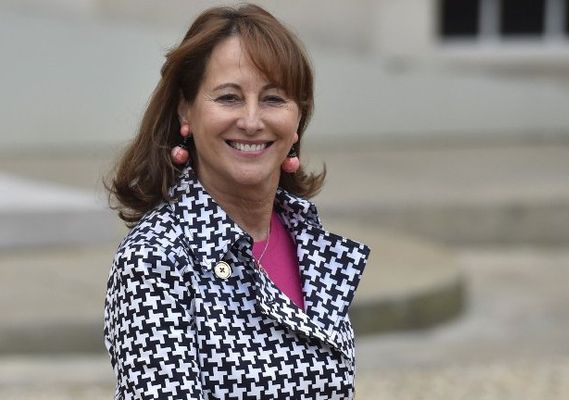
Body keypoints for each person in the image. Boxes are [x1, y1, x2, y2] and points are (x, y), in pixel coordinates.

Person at [104, 4, 370, 399]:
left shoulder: (303, 235)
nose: (251, 120)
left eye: (273, 99)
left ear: (298, 119)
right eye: (229, 98)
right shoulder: (154, 261)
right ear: (186, 111)